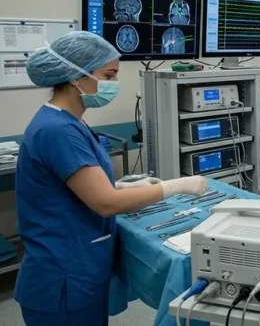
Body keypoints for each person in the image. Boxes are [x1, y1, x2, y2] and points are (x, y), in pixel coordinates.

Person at [14, 32, 209, 326]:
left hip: (78, 269)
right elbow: (105, 203)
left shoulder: (67, 121)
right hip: (63, 279)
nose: (114, 84)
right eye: (109, 74)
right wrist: (175, 186)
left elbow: (72, 185)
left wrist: (125, 185)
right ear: (75, 74)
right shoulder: (58, 130)